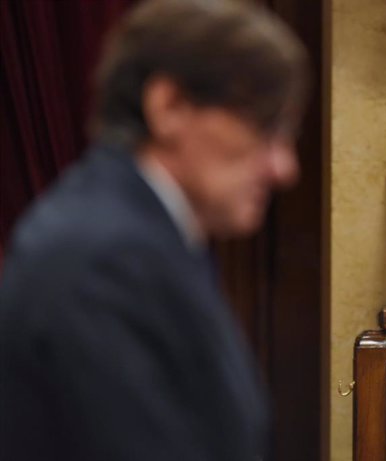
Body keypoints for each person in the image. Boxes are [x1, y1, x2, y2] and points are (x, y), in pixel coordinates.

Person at [0, 0, 308, 460]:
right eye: (265, 128)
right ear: (168, 106)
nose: (285, 168)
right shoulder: (103, 257)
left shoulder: (145, 234)